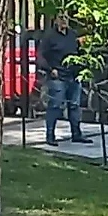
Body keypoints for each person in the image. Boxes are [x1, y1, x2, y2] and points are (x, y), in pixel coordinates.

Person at [39, 11, 92, 146]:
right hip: (58, 77)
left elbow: (79, 53)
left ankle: (77, 134)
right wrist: (51, 70)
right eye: (61, 18)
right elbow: (40, 56)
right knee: (55, 106)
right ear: (55, 20)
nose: (64, 21)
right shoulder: (49, 37)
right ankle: (50, 135)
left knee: (74, 106)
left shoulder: (72, 35)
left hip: (73, 76)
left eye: (66, 18)